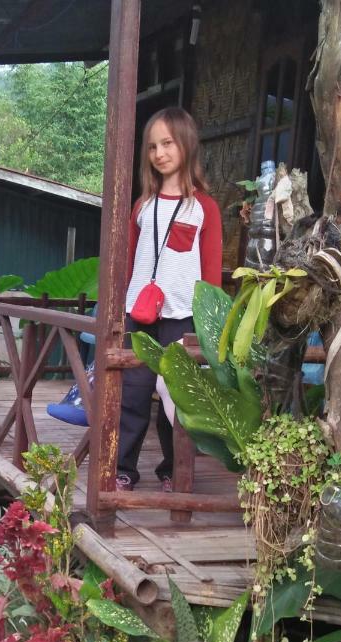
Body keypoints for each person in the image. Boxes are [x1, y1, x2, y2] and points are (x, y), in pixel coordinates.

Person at [116, 107, 222, 492]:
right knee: (133, 391)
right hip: (139, 313)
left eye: (167, 143)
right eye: (152, 146)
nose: (159, 153)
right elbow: (128, 264)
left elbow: (210, 274)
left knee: (174, 394)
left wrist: (206, 328)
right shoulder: (142, 207)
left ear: (186, 145)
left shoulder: (204, 208)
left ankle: (173, 468)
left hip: (182, 315)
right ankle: (123, 467)